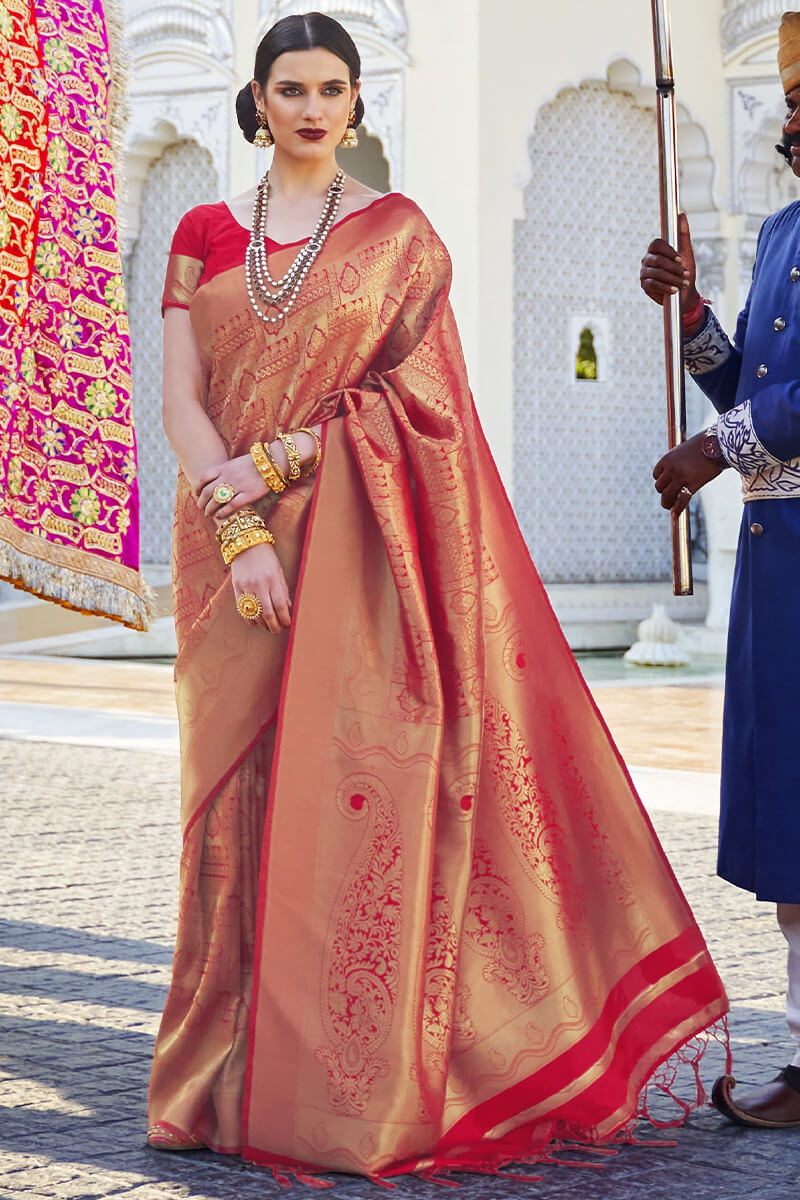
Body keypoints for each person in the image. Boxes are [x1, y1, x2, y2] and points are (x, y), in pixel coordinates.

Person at [147, 11, 727, 1180]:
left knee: (357, 795)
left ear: (356, 101)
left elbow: (422, 410)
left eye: (332, 88)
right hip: (228, 549)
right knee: (231, 808)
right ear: (256, 100)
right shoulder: (203, 228)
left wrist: (285, 470)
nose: (311, 108)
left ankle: (351, 1083)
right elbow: (179, 396)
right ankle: (217, 1080)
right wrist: (239, 523)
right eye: (289, 89)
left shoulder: (396, 235)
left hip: (362, 551)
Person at [640, 9, 800, 1133]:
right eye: (791, 103)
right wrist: (690, 309)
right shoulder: (787, 227)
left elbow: (751, 422)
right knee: (790, 815)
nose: (792, 120)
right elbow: (741, 379)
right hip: (777, 566)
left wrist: (716, 451)